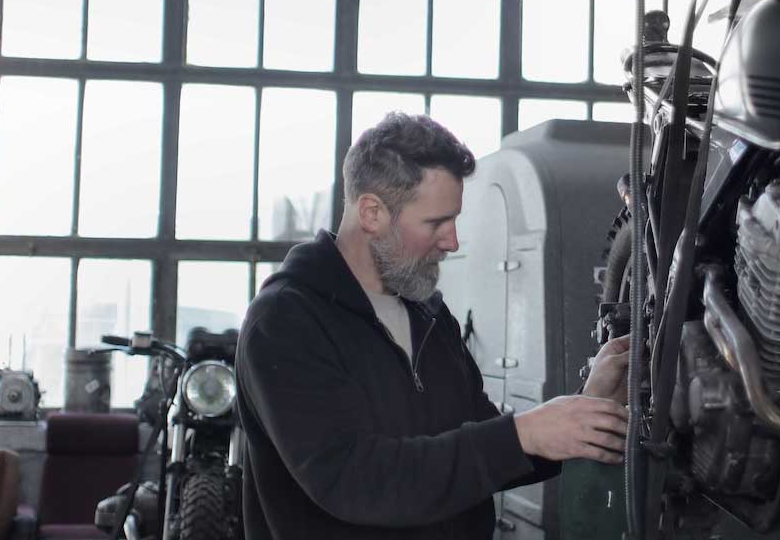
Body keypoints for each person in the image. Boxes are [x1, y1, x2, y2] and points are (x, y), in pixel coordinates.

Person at [236, 112, 633, 540]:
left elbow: (489, 453)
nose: (453, 241)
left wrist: (585, 409)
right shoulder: (284, 322)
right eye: (436, 222)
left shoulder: (428, 316)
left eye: (455, 220)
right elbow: (354, 480)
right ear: (371, 213)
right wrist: (521, 435)